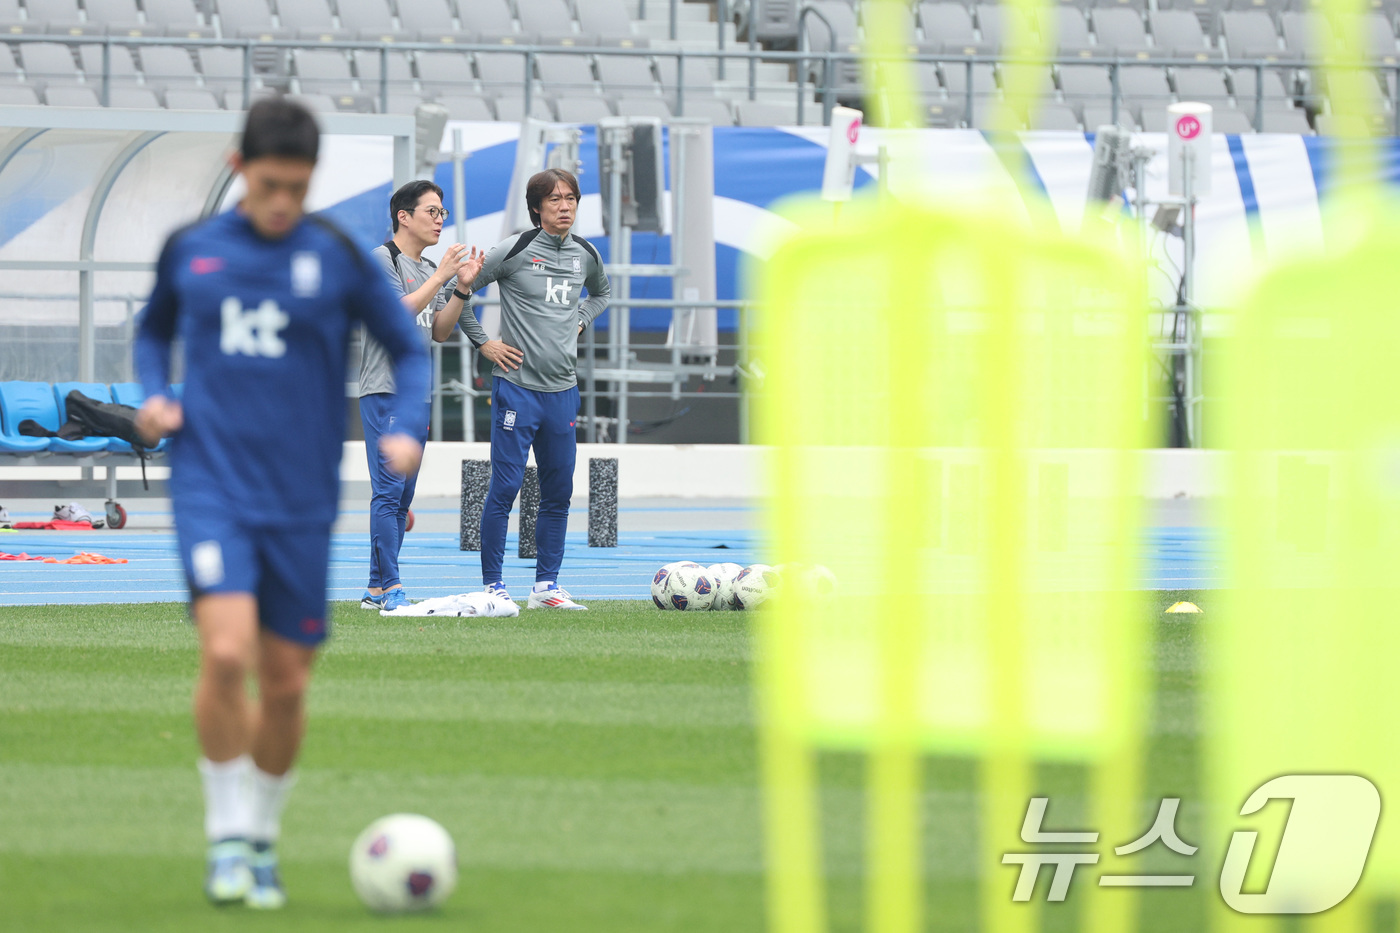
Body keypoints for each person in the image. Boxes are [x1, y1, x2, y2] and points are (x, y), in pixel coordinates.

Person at [132, 98, 429, 910]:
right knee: (227, 654)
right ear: (239, 168)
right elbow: (153, 331)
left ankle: (261, 839)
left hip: (299, 494)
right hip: (212, 483)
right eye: (269, 184)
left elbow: (408, 349)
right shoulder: (192, 250)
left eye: (296, 187)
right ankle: (225, 837)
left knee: (288, 680)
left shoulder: (334, 255)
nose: (281, 202)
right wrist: (155, 396)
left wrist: (405, 426)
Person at [442, 168, 609, 610]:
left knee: (559, 491)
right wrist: (485, 343)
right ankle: (493, 586)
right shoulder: (514, 249)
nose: (565, 206)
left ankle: (546, 588)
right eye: (554, 200)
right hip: (516, 389)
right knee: (505, 487)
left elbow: (602, 294)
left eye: (571, 198)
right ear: (537, 208)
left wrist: (581, 318)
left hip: (563, 392)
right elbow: (457, 296)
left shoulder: (586, 254)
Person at [358, 180, 483, 611]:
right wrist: (443, 276)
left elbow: (442, 331)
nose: (440, 220)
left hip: (415, 396)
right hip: (384, 391)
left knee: (403, 496)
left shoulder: (430, 268)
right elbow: (396, 312)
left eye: (442, 212)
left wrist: (462, 287)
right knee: (388, 492)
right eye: (432, 211)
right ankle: (392, 587)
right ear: (403, 217)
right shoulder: (382, 259)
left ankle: (375, 590)